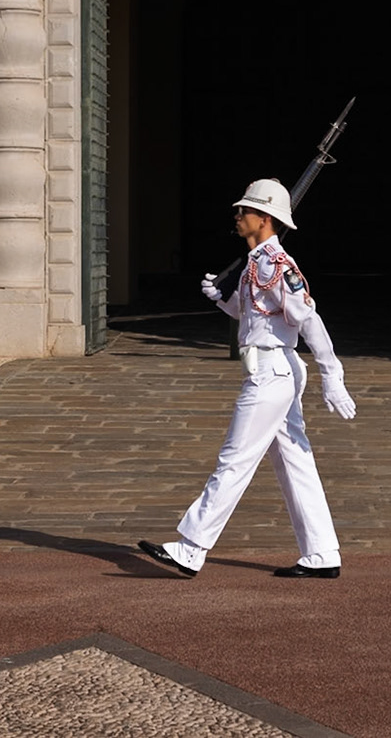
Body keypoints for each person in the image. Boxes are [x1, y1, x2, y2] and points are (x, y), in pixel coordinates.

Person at [138, 177, 357, 580]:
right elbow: (255, 316)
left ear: (265, 219)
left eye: (246, 211)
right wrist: (223, 299)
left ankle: (191, 548)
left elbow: (307, 318)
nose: (238, 216)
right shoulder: (258, 262)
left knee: (234, 460)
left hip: (272, 373)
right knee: (295, 462)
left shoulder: (275, 263)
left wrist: (333, 374)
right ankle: (322, 552)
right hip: (272, 368)